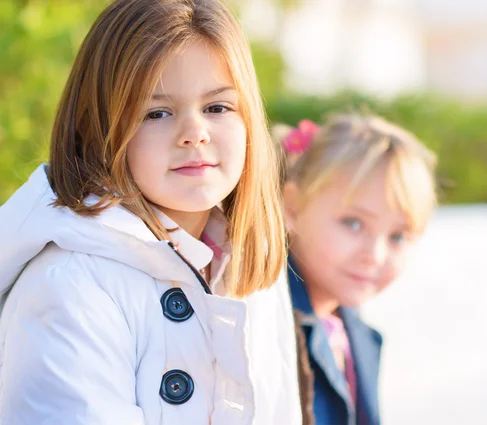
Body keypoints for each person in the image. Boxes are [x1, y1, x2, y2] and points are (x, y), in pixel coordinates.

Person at [0, 1, 301, 424]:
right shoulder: (69, 284)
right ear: (98, 129)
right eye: (156, 113)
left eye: (217, 107)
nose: (195, 133)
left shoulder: (248, 264)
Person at [274, 114, 437, 425]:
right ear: (293, 207)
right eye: (353, 223)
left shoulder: (354, 332)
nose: (374, 255)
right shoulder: (263, 324)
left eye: (398, 236)